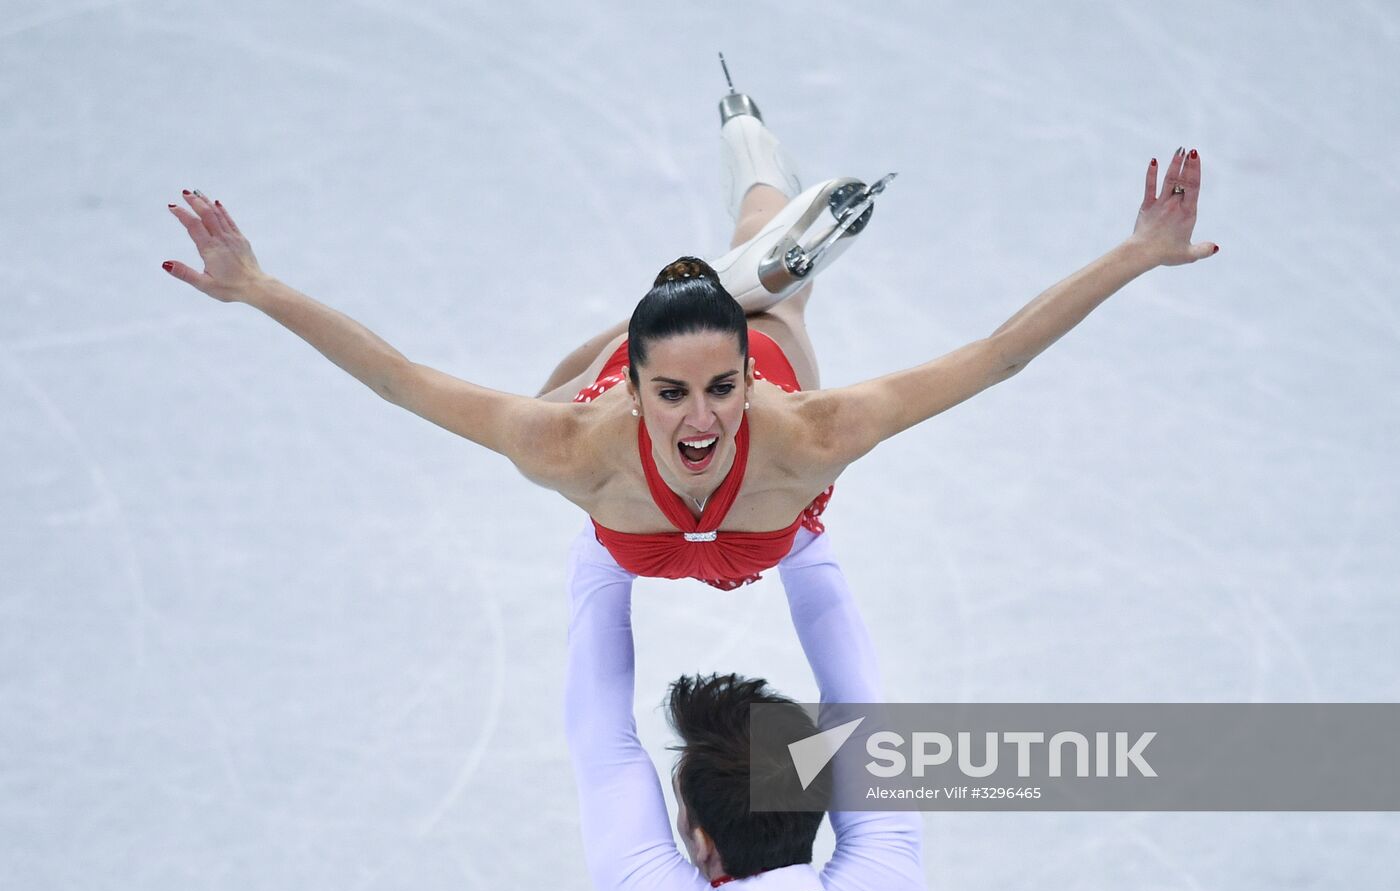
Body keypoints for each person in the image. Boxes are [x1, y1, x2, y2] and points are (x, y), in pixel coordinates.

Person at [162, 87, 1215, 590]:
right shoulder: (567, 445)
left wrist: (1131, 256)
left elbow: (995, 357)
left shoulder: (804, 425)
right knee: (583, 369)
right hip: (626, 490)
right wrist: (255, 288)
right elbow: (395, 379)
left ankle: (750, 214)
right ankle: (725, 263)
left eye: (720, 388)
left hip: (761, 497)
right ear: (633, 390)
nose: (703, 416)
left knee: (771, 283)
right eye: (672, 394)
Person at [564, 524, 927, 891]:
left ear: (702, 842)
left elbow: (603, 745)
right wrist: (794, 521)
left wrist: (611, 524)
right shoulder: (887, 887)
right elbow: (600, 742)